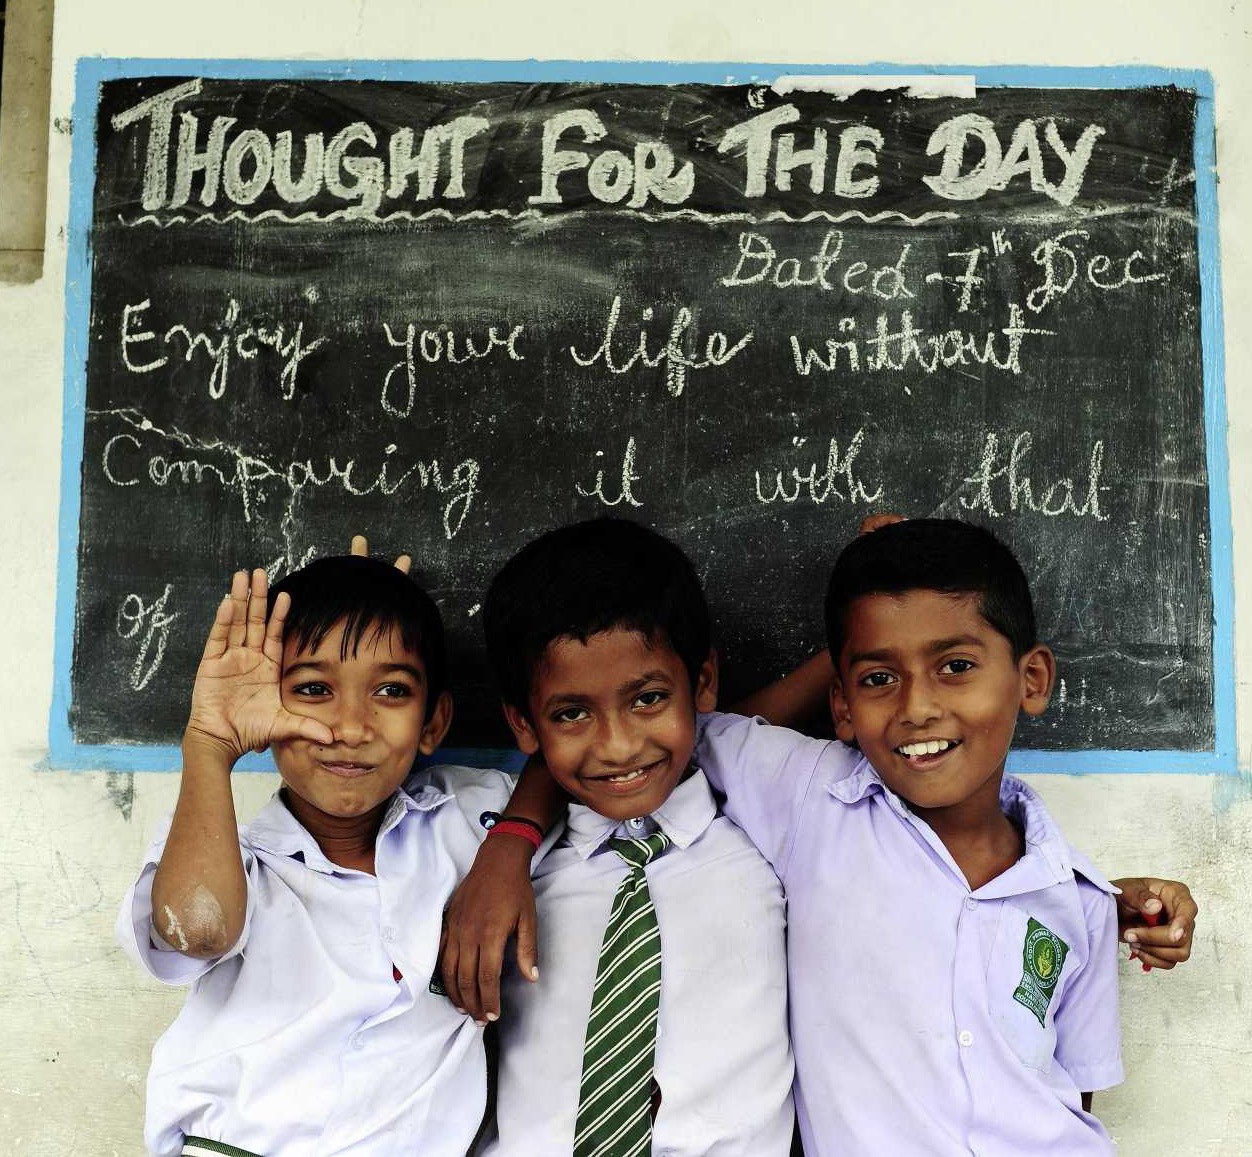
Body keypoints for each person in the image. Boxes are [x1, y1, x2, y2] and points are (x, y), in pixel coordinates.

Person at [445, 517, 1200, 1156]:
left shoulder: (1080, 899)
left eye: (956, 666)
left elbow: (1073, 1090)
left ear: (1031, 679)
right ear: (841, 702)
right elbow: (674, 733)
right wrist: (509, 844)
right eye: (877, 678)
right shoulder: (812, 804)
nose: (918, 708)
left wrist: (1102, 901)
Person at [116, 555, 557, 1157]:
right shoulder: (234, 859)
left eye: (391, 690)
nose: (351, 727)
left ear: (434, 722)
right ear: (264, 709)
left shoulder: (468, 818)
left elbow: (566, 763)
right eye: (313, 689)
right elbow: (199, 928)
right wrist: (210, 745)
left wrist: (510, 846)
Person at [471, 518, 795, 1155]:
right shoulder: (499, 866)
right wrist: (507, 845)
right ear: (523, 724)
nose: (618, 746)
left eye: (647, 699)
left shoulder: (777, 839)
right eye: (572, 714)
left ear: (702, 682)